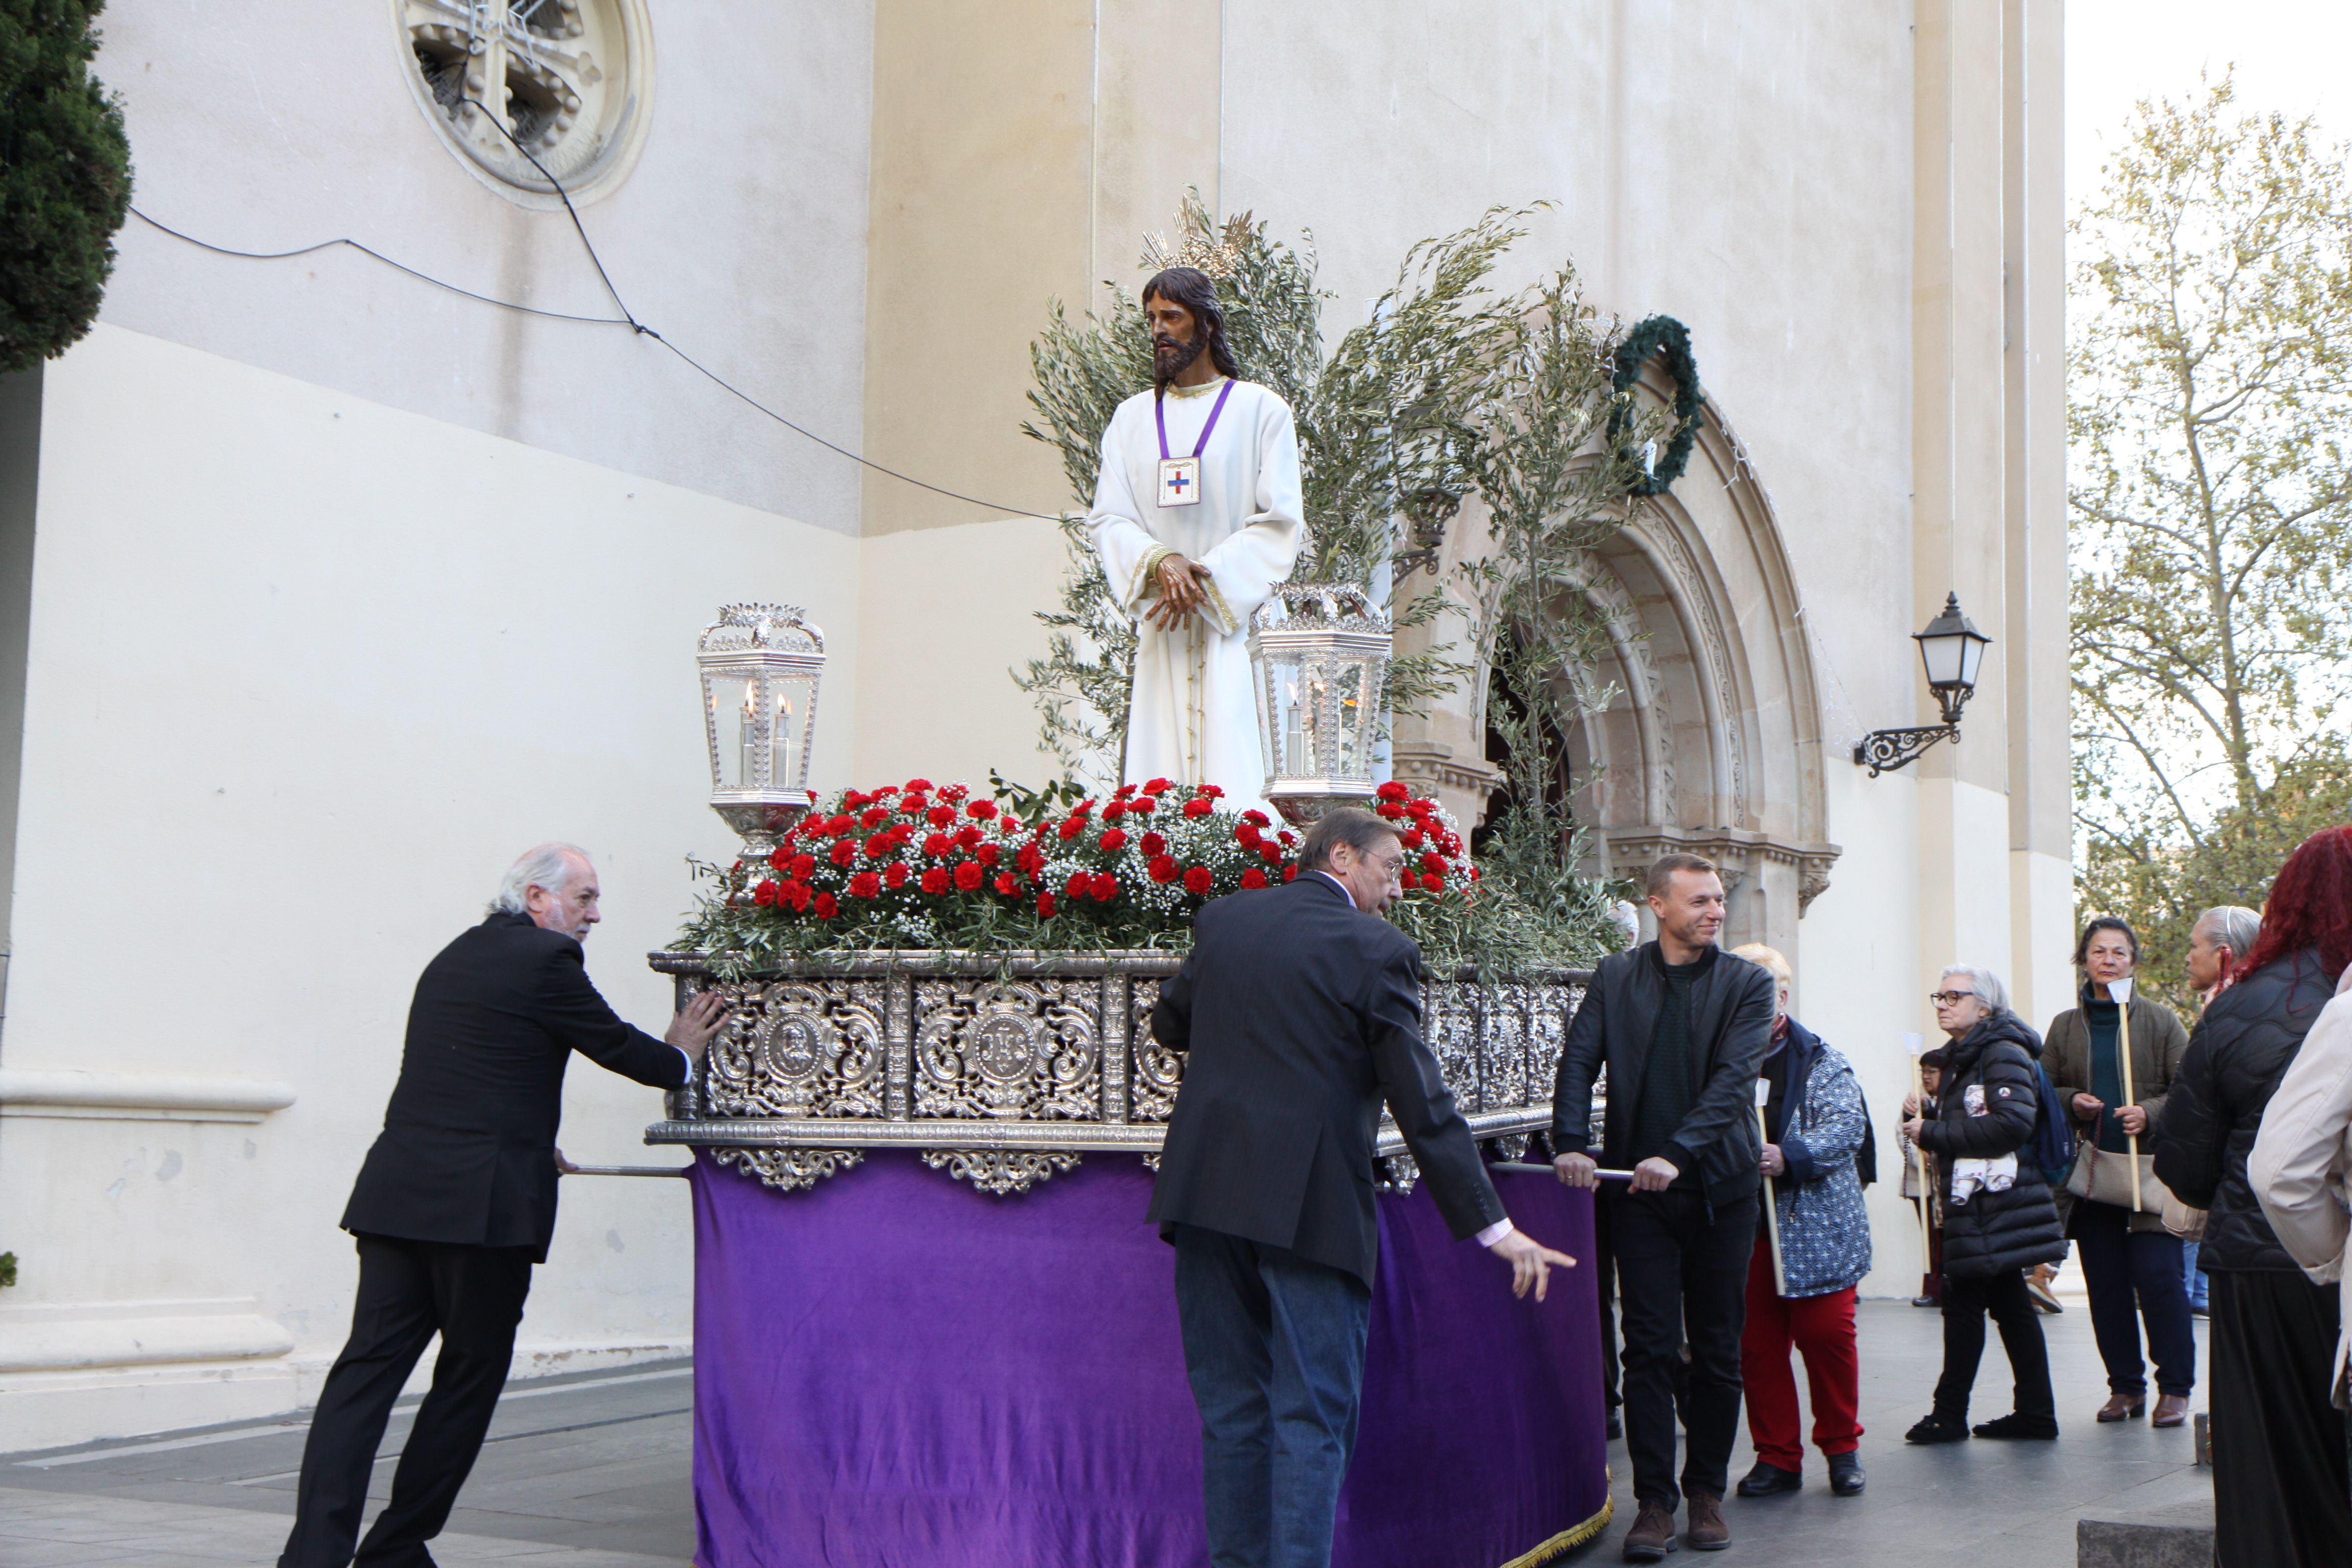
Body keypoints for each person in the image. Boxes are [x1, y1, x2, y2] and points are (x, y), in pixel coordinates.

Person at [1147, 807, 1573, 1568]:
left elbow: (1170, 1024)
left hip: (1204, 1193)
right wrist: (1496, 1229)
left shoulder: (1226, 920)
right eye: (1392, 868)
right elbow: (1421, 1101)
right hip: (1310, 1206)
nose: (1399, 888)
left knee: (1231, 1412)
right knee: (1312, 1416)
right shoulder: (1377, 949)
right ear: (1342, 856)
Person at [278, 845, 726, 1568]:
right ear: (536, 897)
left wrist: (525, 1143)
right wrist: (680, 1054)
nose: (594, 914)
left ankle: (312, 1557)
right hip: (482, 1215)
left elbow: (473, 1071)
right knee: (468, 1378)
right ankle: (395, 1550)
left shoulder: (455, 955)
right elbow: (622, 1049)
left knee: (362, 1379)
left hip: (397, 1196)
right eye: (584, 897)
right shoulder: (547, 961)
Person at [1552, 853, 1774, 1563]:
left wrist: (1677, 1153)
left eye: (1719, 900)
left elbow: (1734, 1082)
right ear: (1658, 905)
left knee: (1715, 1348)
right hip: (1638, 1193)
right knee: (1646, 1349)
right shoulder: (1617, 975)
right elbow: (1579, 1061)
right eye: (1700, 900)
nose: (1716, 911)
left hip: (1719, 1191)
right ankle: (1653, 1504)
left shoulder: (1748, 983)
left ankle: (1705, 1493)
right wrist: (1570, 1142)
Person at [2155, 827, 2352, 1567]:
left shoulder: (2237, 1008)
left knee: (2266, 1464)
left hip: (2257, 1263)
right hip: (2335, 1257)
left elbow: (2188, 1164)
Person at [1087, 264, 1304, 798]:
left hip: (1233, 622)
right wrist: (1162, 562)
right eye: (1151, 319)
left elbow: (1280, 520)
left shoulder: (1261, 410)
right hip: (1165, 620)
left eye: (1172, 317)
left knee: (1237, 758)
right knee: (1159, 769)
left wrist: (1203, 575)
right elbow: (1109, 517)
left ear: (1206, 324)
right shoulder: (1131, 419)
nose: (1158, 330)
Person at [1727, 944, 1871, 1500]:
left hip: (1816, 1224)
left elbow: (1846, 1128)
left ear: (1782, 998)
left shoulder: (1822, 1060)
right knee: (1757, 1346)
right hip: (1746, 1225)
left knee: (1825, 1335)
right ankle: (1777, 1457)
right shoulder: (1716, 1057)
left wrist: (1789, 1156)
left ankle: (1842, 1447)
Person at [1903, 964, 2066, 1444]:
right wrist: (1931, 1115)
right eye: (1940, 996)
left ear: (1985, 1008)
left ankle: (1950, 1414)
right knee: (2009, 1307)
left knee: (1964, 1305)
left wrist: (1934, 1132)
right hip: (1984, 1206)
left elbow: (2012, 1124)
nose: (1943, 1004)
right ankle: (2034, 1413)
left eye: (1954, 996)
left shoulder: (2000, 1051)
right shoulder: (1968, 1054)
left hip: (1995, 1205)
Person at [2043, 917, 2195, 1426]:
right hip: (2093, 1178)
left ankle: (2175, 1388)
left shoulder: (2161, 1021)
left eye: (2119, 952)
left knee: (2160, 1280)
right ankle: (2125, 1387)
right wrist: (2073, 1101)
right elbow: (2043, 1090)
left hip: (2152, 1176)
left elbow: (2188, 1089)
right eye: (2099, 951)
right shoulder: (2066, 1026)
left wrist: (2149, 1112)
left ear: (2133, 962)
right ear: (2084, 960)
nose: (2108, 960)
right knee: (2106, 1287)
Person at [2183, 904, 2262, 1318]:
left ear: (2224, 953)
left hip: (2243, 1200)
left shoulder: (2229, 1015)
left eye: (2195, 947)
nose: (2188, 957)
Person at [1902, 1048, 1949, 1307]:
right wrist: (1923, 1157)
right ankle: (1933, 1289)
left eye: (1933, 1072)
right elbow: (1904, 1133)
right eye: (1924, 1072)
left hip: (1948, 1182)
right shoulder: (1915, 1101)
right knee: (1931, 1239)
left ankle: (1947, 1288)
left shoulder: (1950, 1099)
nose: (1927, 1077)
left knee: (1946, 1238)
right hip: (1925, 1183)